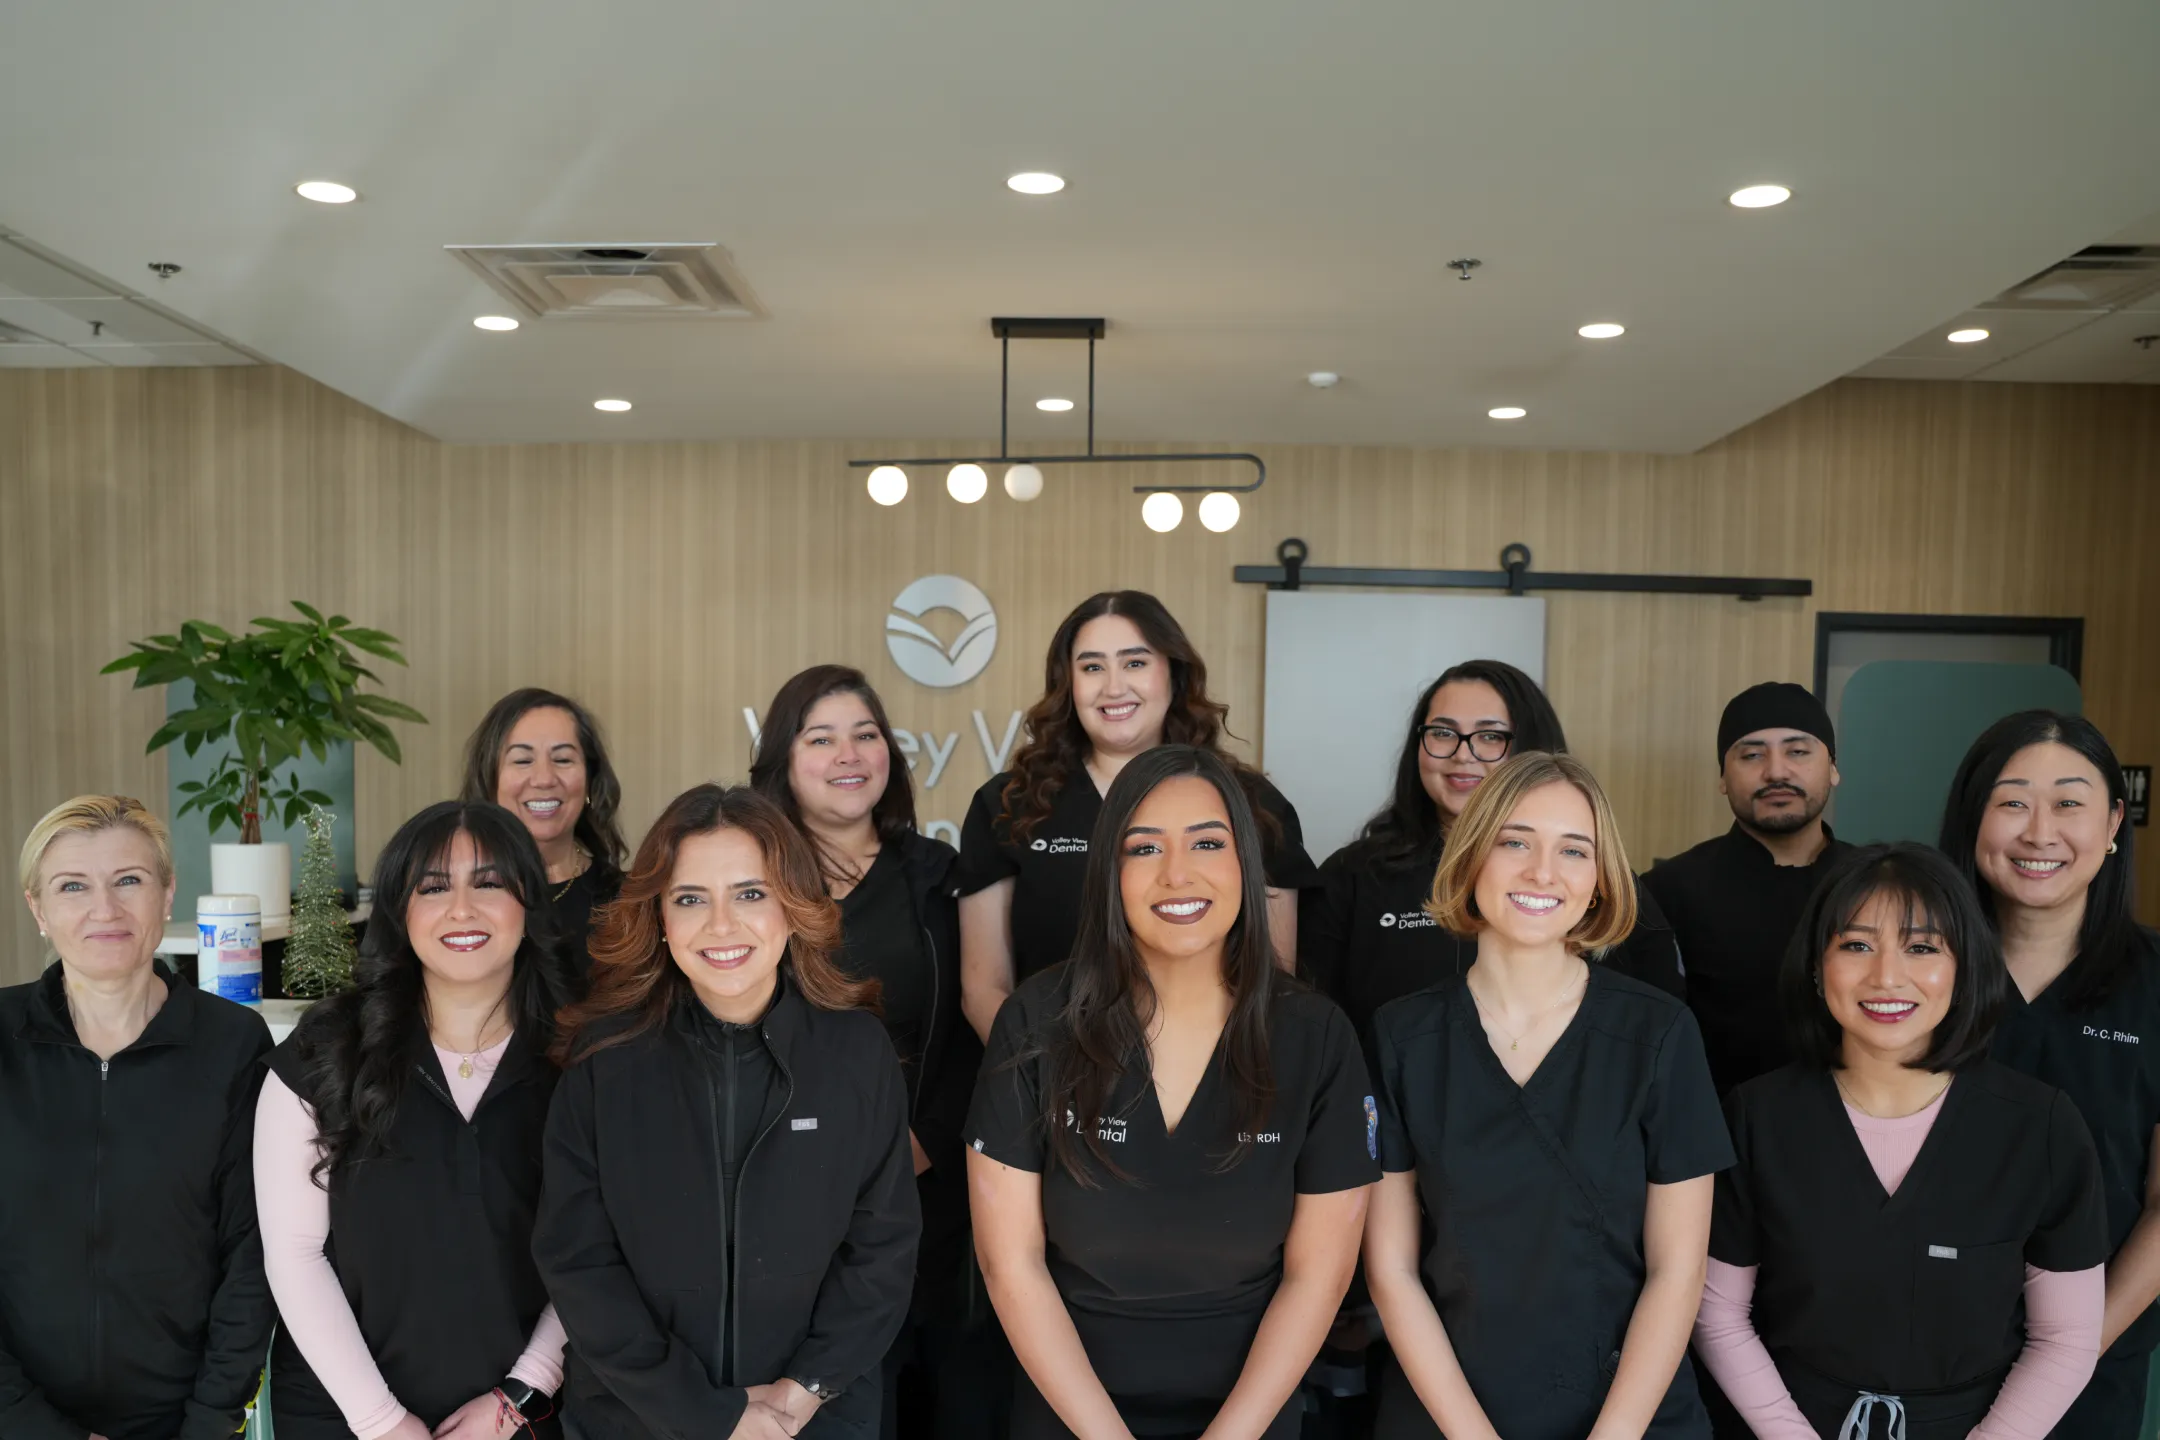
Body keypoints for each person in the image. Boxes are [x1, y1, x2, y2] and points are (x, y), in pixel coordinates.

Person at [968, 744, 1378, 1439]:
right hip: (1071, 1411)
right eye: (1144, 848)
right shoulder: (1038, 1022)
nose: (1177, 874)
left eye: (1208, 843)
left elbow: (1319, 1280)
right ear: (1108, 874)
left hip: (1250, 1414)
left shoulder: (1316, 1037)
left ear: (1246, 864)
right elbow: (1011, 1267)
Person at [534, 784, 919, 1440]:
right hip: (636, 1421)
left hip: (814, 1420)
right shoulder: (603, 1058)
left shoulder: (856, 1052)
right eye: (690, 899)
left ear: (793, 905)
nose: (721, 926)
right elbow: (580, 1265)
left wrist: (796, 1400)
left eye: (750, 893)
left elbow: (881, 1251)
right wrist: (714, 1417)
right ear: (658, 916)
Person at [1365, 751, 1732, 1439]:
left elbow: (1678, 1273)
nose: (1543, 872)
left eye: (1574, 850)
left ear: (1599, 881)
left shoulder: (1658, 1033)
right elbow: (1392, 1270)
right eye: (1515, 842)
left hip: (1629, 1413)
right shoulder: (1403, 1036)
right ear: (1473, 857)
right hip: (1448, 1409)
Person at [1693, 843, 2109, 1439]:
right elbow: (1719, 1314)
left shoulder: (2040, 1127)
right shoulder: (1758, 1116)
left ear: (1964, 967)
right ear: (1816, 966)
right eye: (1857, 945)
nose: (1887, 976)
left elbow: (2065, 1338)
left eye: (1921, 947)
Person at [257, 800, 574, 1439]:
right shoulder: (323, 1053)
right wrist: (381, 1422)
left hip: (524, 1418)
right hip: (341, 1416)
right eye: (432, 887)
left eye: (488, 882)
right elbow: (294, 1255)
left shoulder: (582, 1058)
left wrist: (523, 1391)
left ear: (528, 904)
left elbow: (599, 1247)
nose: (462, 909)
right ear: (401, 913)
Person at [750, 664, 992, 1439]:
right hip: (793, 1190)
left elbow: (971, 1024)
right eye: (820, 738)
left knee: (948, 1390)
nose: (848, 754)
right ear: (785, 761)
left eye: (866, 734)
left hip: (930, 1176)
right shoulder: (754, 882)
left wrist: (916, 1145)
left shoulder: (937, 876)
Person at [1, 795, 274, 1440]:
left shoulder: (234, 1044)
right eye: (73, 886)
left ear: (168, 893)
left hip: (184, 1422)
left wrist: (208, 1426)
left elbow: (252, 1259)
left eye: (129, 880)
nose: (105, 909)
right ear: (38, 908)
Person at [959, 590, 1317, 1042]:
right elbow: (983, 988)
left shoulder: (1254, 804)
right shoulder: (1009, 804)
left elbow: (1274, 979)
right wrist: (1045, 1085)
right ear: (1067, 683)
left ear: (1174, 672)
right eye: (1092, 667)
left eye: (1135, 663)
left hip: (1216, 1080)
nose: (1113, 687)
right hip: (1052, 1082)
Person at [1942, 711, 2160, 1437]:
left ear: (2113, 824)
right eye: (2011, 802)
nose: (2039, 833)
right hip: (1920, 1357)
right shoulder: (1915, 972)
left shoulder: (2154, 981)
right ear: (1971, 819)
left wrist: (2067, 1357)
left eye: (2069, 803)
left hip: (2094, 1368)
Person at [1302, 659, 1685, 1045]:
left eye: (1490, 736)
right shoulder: (1353, 876)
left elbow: (1656, 1024)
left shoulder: (1594, 883)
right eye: (1442, 732)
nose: (1462, 755)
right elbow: (1313, 1028)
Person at [1643, 681, 1853, 1095]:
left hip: (1859, 1134)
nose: (1776, 771)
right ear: (1723, 776)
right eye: (1752, 755)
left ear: (1832, 767)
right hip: (1717, 1140)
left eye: (1797, 752)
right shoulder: (1666, 892)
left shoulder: (1876, 886)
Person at [461, 687, 628, 985]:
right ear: (489, 778)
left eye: (563, 760)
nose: (544, 779)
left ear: (590, 779)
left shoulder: (629, 901)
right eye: (522, 761)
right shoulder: (455, 900)